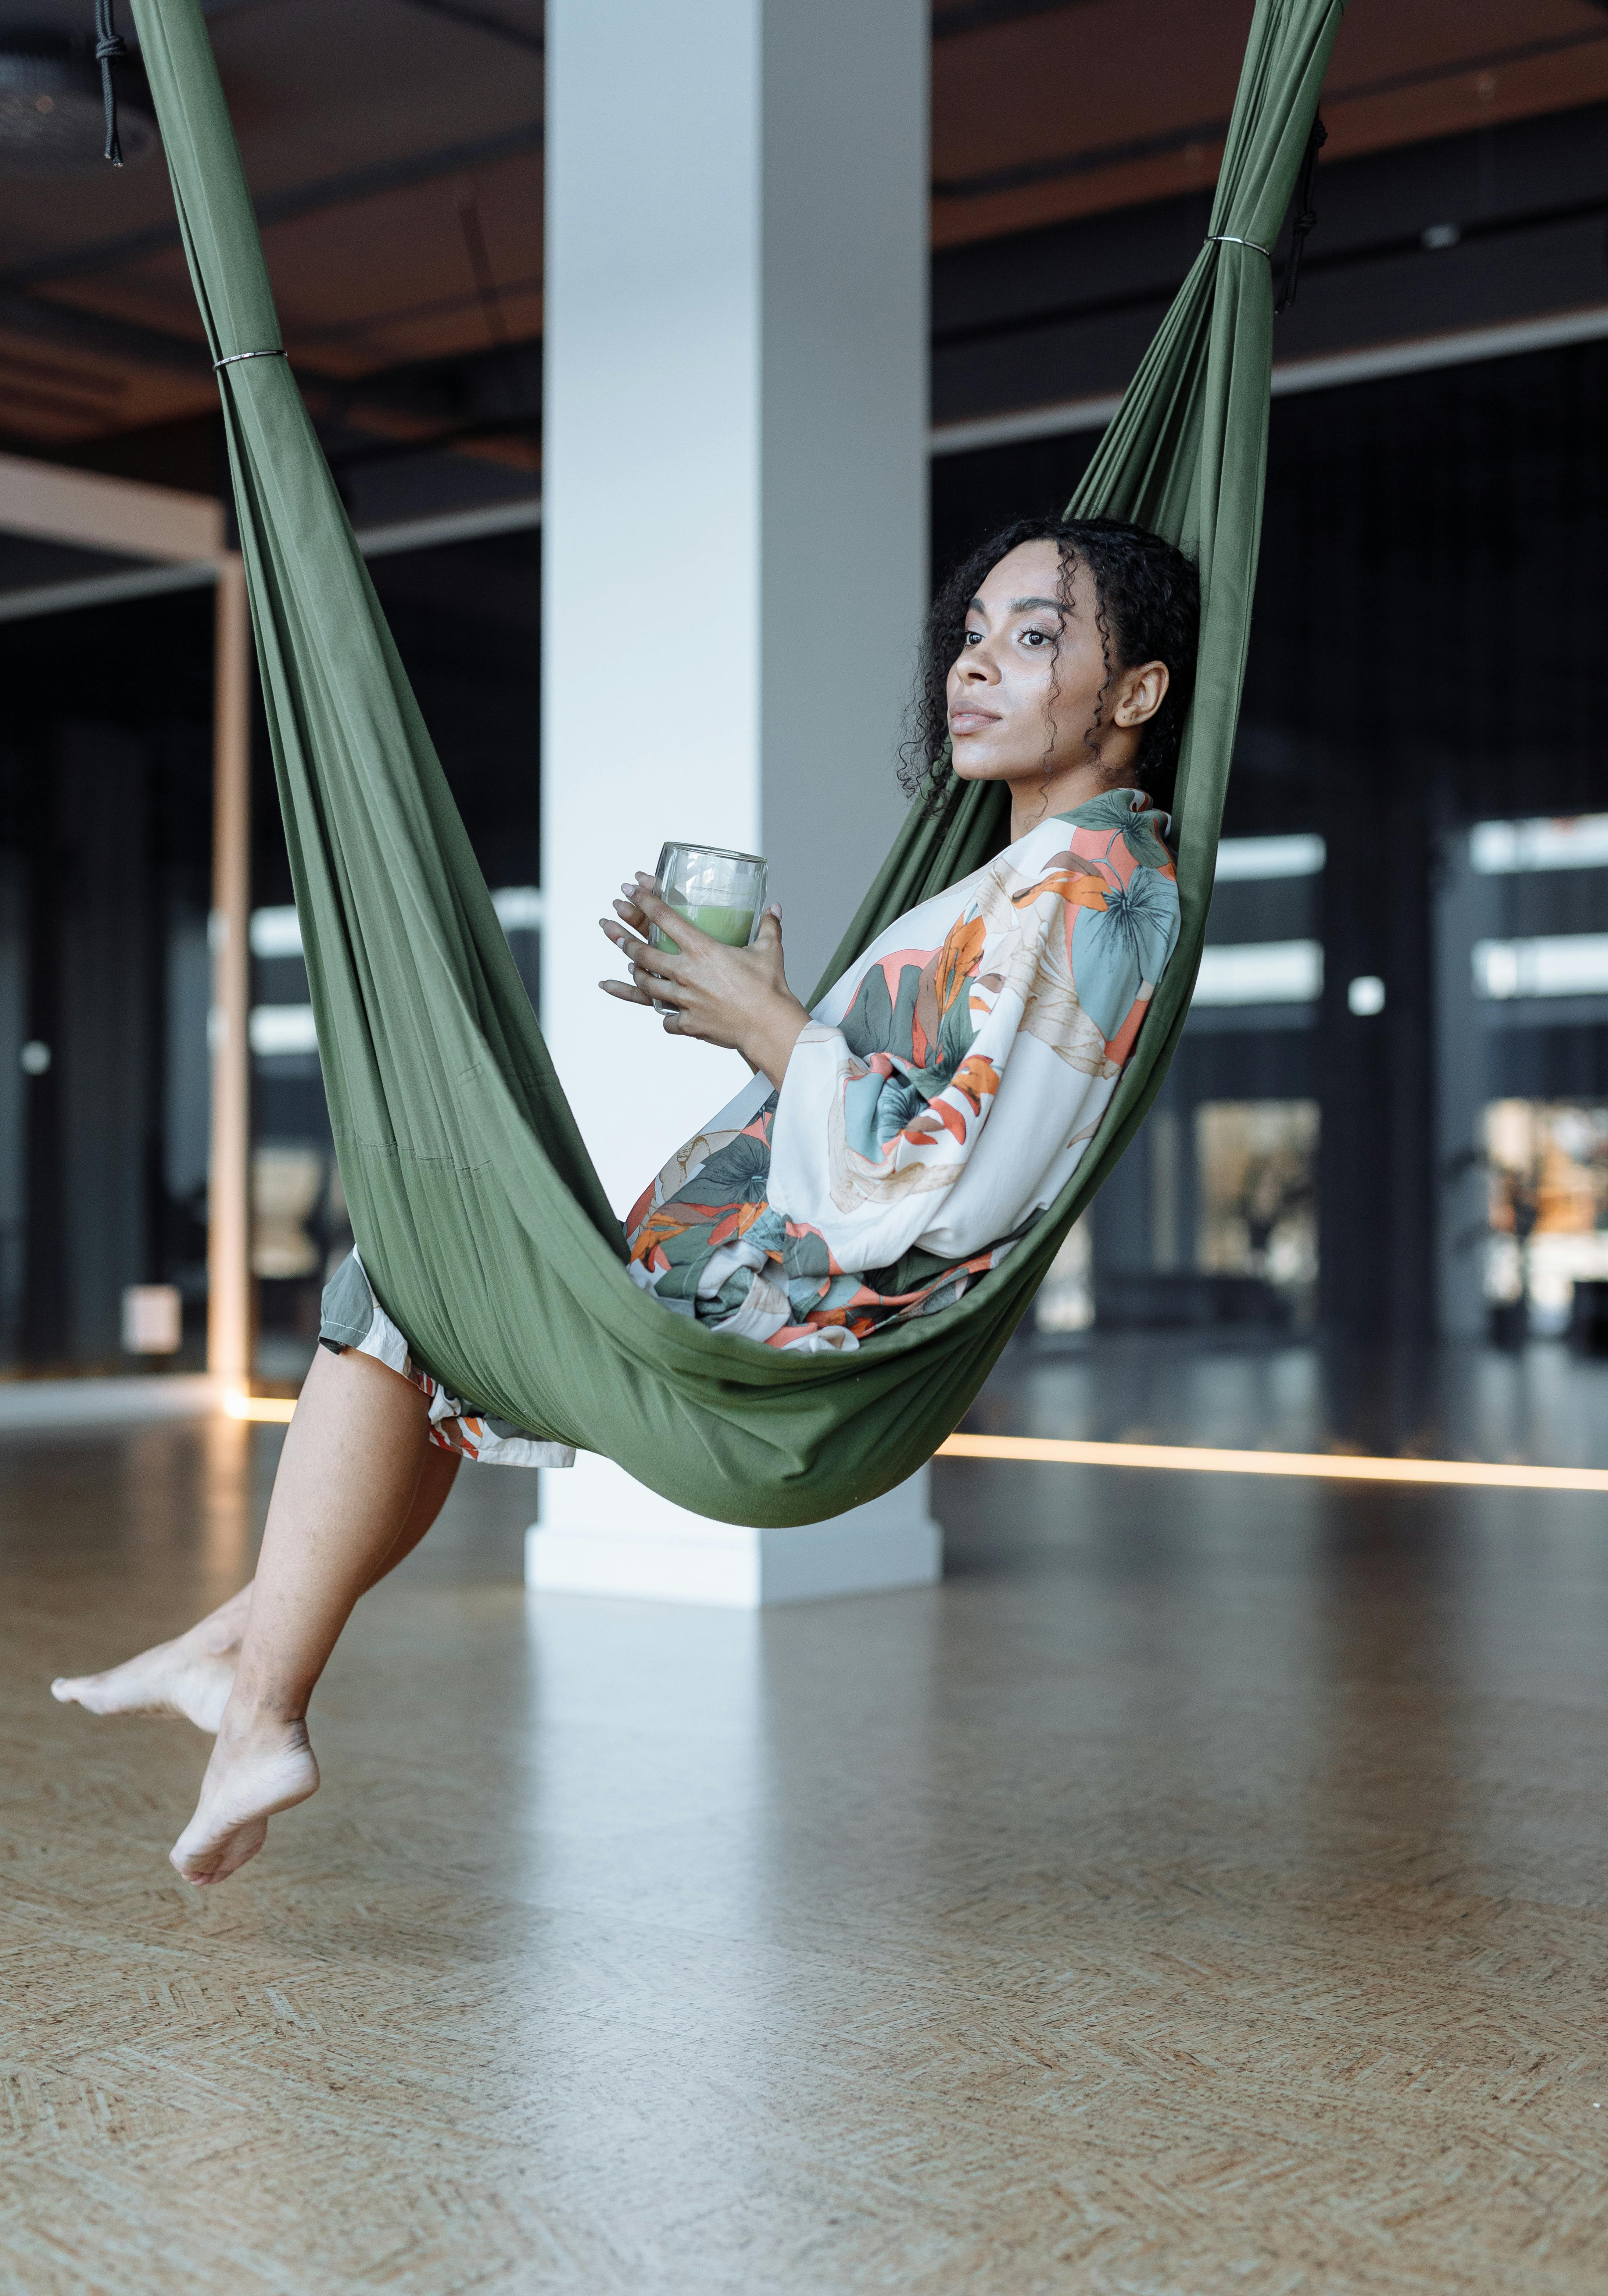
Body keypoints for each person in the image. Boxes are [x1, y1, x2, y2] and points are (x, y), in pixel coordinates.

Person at [52, 515, 1200, 1885]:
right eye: (971, 634)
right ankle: (245, 1654)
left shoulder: (1099, 889)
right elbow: (905, 1101)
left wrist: (773, 1023)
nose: (973, 667)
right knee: (429, 1314)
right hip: (772, 1296)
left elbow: (931, 1188)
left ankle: (258, 1701)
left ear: (1136, 694)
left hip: (796, 1350)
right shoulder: (1023, 880)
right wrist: (762, 1019)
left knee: (412, 1280)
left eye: (1033, 638)